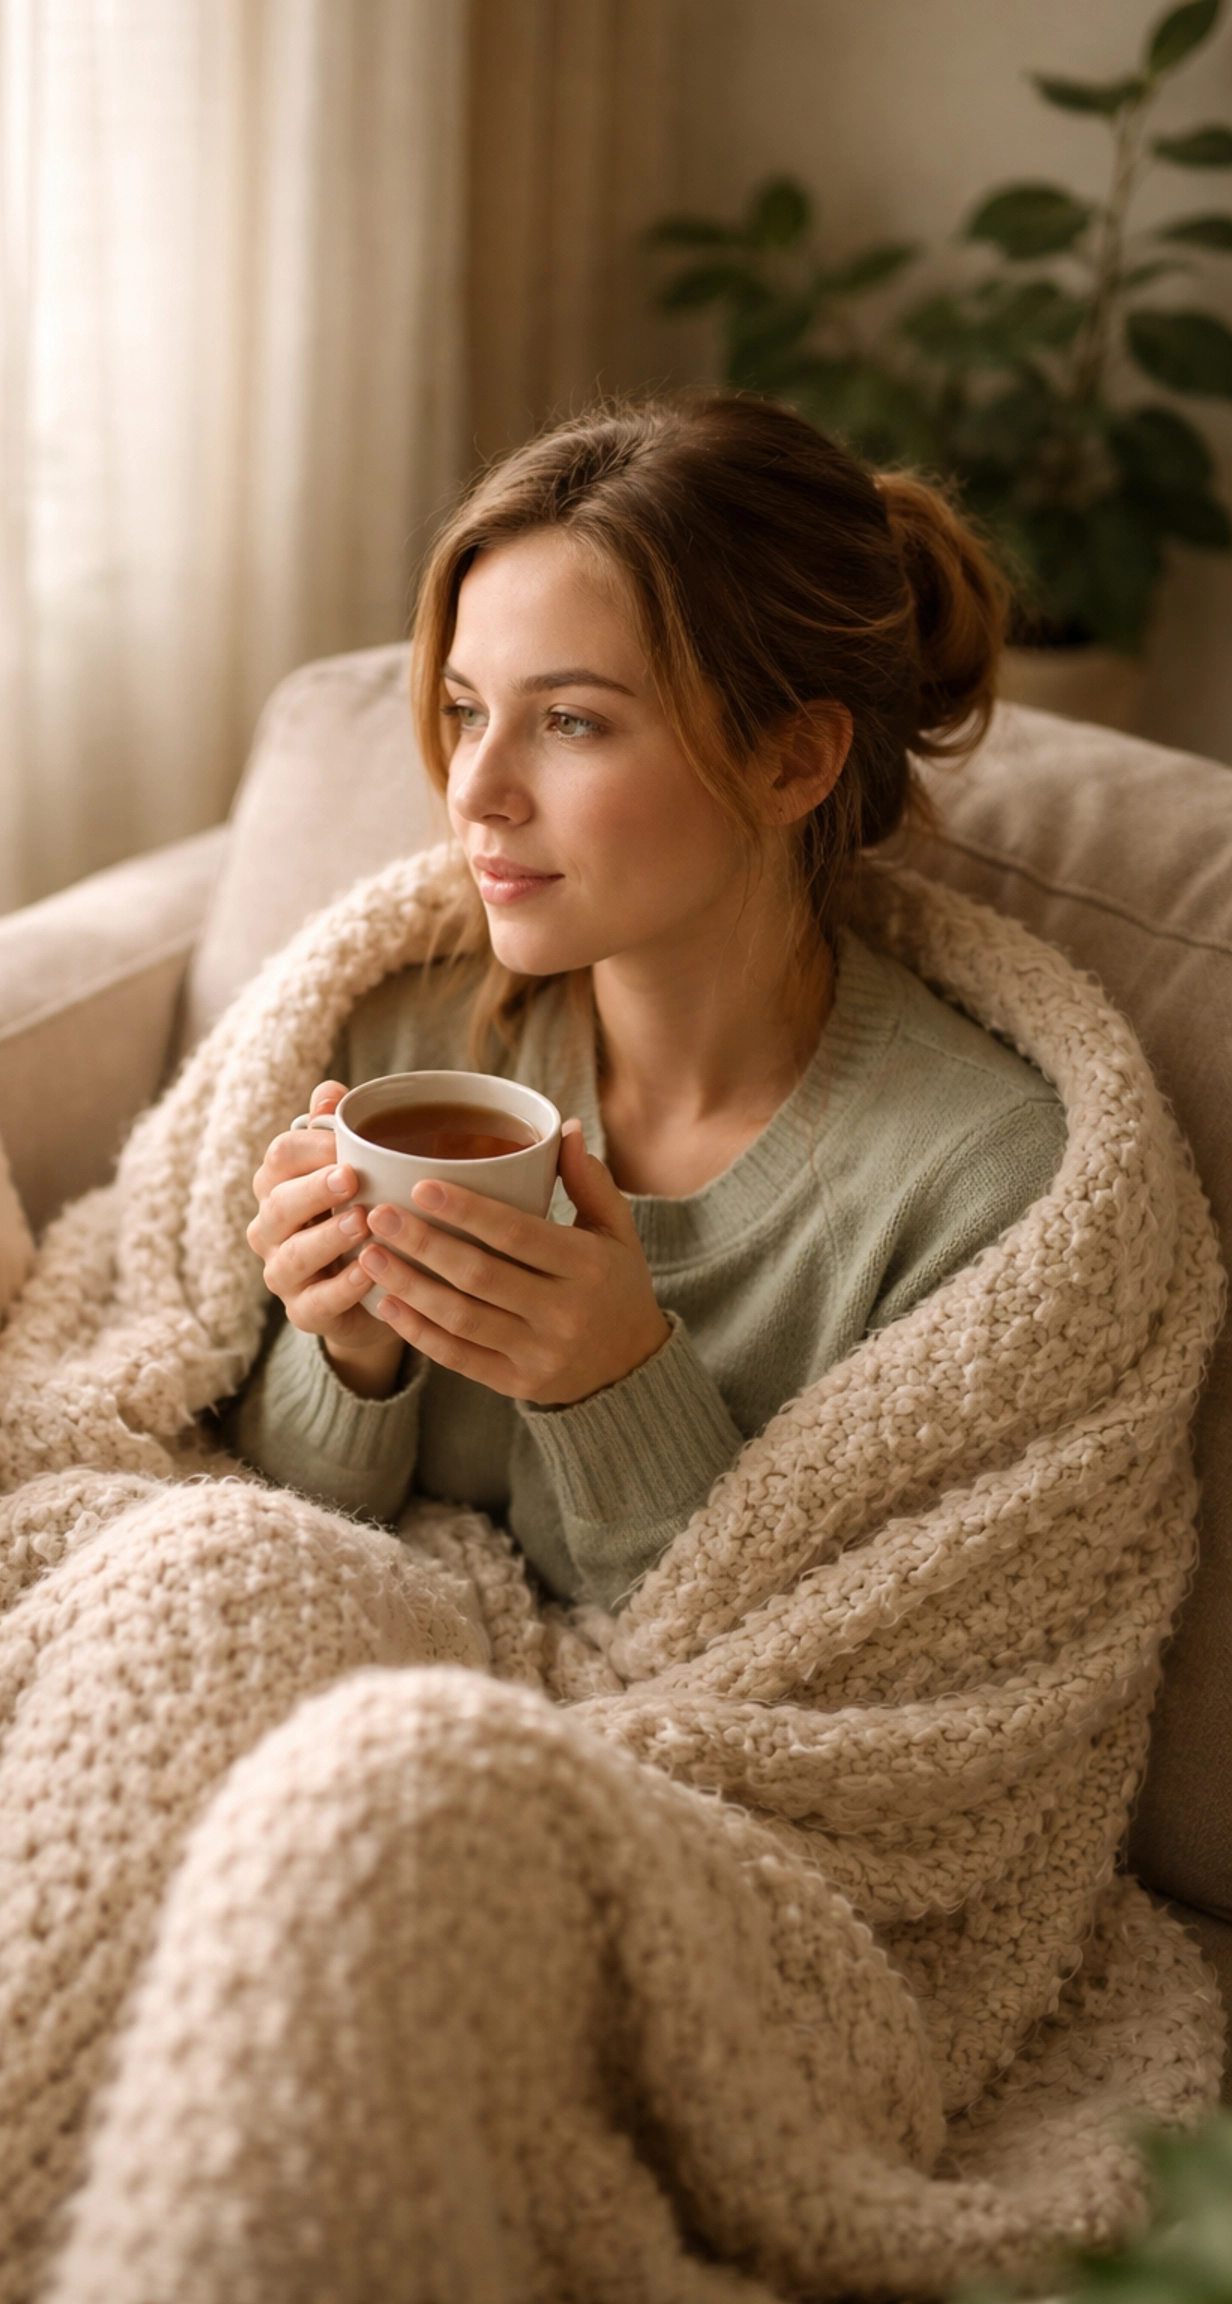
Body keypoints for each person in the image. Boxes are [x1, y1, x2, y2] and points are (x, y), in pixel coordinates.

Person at [230, 394, 1066, 1613]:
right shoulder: (404, 1051)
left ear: (794, 760)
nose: (476, 789)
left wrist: (612, 1386)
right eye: (467, 710)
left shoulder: (973, 1194)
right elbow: (279, 1533)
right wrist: (348, 1349)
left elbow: (827, 1677)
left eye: (570, 721)